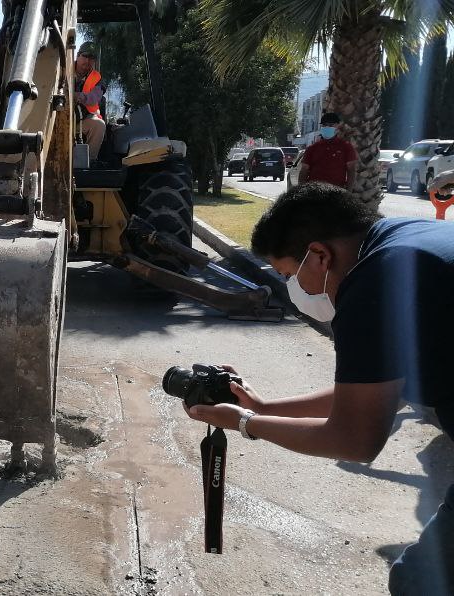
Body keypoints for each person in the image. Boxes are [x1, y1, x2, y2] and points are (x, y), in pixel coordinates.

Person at [188, 181, 452, 595]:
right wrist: (267, 405)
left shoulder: (374, 283)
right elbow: (382, 389)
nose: (299, 290)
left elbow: (355, 440)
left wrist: (246, 423)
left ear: (320, 255)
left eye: (290, 276)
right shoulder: (409, 242)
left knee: (420, 581)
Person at [298, 112, 358, 190]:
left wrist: (348, 192)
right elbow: (304, 171)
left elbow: (351, 170)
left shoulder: (346, 147)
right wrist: (301, 191)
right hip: (314, 192)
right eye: (324, 125)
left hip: (337, 192)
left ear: (337, 126)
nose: (327, 127)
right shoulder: (312, 148)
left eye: (330, 125)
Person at [73, 41, 106, 157]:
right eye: (85, 56)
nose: (87, 61)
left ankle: (89, 163)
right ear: (78, 55)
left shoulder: (97, 78)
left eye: (91, 58)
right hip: (59, 117)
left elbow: (95, 97)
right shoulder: (62, 69)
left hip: (82, 121)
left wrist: (79, 96)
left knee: (99, 125)